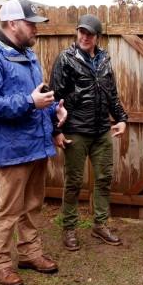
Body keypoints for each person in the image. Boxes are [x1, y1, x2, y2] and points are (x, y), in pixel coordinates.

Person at [0, 0, 67, 285]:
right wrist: (29, 102)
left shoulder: (27, 55)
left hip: (36, 145)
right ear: (13, 23)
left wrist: (54, 111)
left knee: (33, 205)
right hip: (10, 149)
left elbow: (40, 96)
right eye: (31, 23)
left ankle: (30, 254)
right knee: (8, 209)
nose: (36, 29)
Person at [49, 14, 128, 250]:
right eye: (81, 32)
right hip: (76, 131)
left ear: (97, 37)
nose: (84, 37)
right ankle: (69, 228)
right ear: (77, 33)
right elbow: (55, 97)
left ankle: (100, 225)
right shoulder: (65, 59)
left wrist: (122, 119)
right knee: (73, 182)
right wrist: (56, 131)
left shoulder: (104, 60)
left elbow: (111, 94)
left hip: (102, 131)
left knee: (104, 179)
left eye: (90, 34)